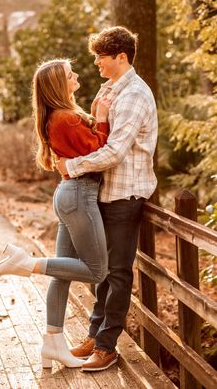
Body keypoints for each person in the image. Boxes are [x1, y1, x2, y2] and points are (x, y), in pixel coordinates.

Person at [0, 58, 111, 369]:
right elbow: (99, 150)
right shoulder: (66, 118)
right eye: (71, 75)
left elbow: (83, 147)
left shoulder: (58, 116)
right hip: (79, 195)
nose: (77, 76)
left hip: (68, 193)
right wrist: (103, 118)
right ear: (59, 84)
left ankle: (52, 344)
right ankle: (26, 262)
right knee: (97, 271)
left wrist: (93, 115)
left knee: (61, 273)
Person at [56, 26, 158, 372]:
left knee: (116, 272)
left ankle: (107, 346)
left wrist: (72, 166)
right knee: (101, 270)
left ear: (121, 57)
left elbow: (113, 152)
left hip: (124, 194)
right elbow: (96, 136)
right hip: (103, 191)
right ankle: (95, 335)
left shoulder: (134, 96)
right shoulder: (110, 89)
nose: (96, 62)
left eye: (101, 56)